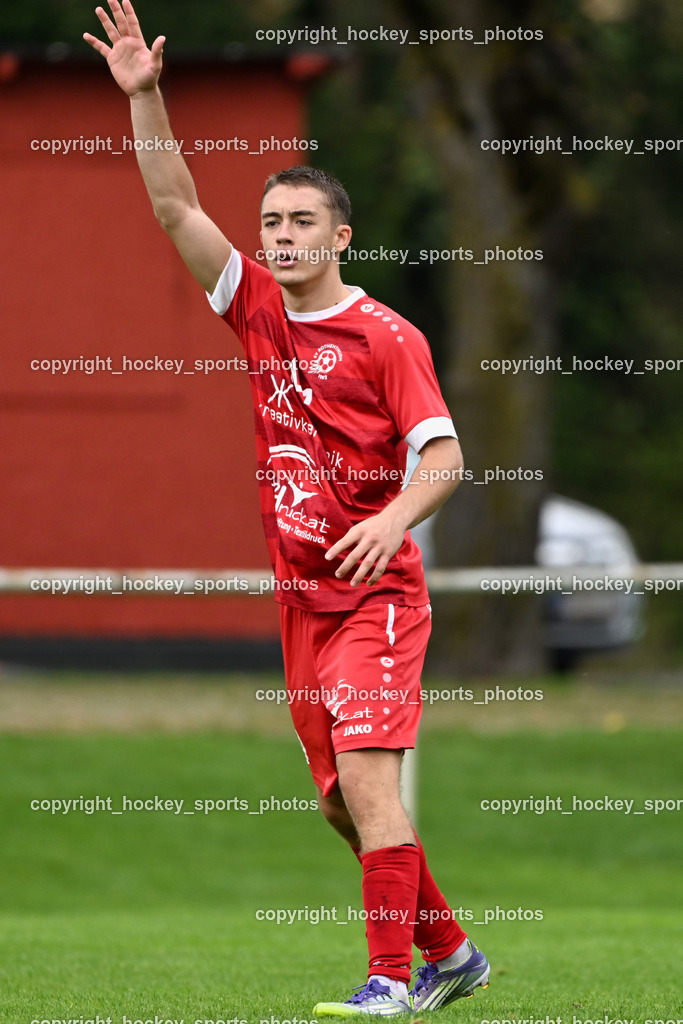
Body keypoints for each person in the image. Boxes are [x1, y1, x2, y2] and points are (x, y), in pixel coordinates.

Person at [84, 1, 490, 1015]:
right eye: (271, 222)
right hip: (298, 603)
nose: (282, 235)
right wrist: (147, 98)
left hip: (375, 597)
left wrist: (390, 520)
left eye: (302, 220)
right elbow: (177, 209)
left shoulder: (384, 337)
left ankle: (389, 983)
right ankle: (450, 953)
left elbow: (442, 460)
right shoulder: (258, 308)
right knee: (339, 808)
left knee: (368, 791)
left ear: (339, 235)